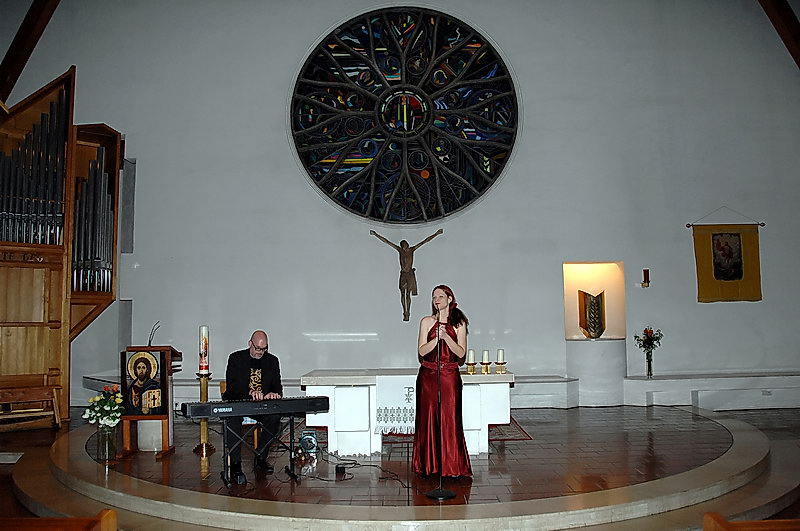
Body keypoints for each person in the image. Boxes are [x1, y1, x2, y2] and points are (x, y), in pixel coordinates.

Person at [412, 285, 472, 477]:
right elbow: (421, 351)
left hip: (449, 376)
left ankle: (451, 466)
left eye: (440, 296)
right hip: (428, 376)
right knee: (428, 418)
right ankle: (429, 466)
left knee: (449, 419)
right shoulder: (427, 322)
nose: (436, 300)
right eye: (434, 297)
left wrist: (446, 336)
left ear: (449, 299)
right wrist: (436, 339)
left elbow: (461, 353)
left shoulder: (459, 323)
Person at [222, 330, 283, 479]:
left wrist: (273, 394)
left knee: (275, 417)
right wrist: (250, 392)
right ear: (250, 343)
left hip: (261, 405)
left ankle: (260, 457)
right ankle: (235, 464)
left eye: (264, 349)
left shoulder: (272, 361)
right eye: (258, 348)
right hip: (239, 402)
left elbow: (277, 387)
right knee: (233, 419)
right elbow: (232, 386)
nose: (260, 352)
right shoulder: (236, 358)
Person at [370, 228, 443, 321]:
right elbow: (387, 242)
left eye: (405, 245)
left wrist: (436, 233)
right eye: (403, 246)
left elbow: (424, 241)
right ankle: (404, 312)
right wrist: (376, 234)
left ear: (407, 245)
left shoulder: (412, 250)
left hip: (409, 275)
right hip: (403, 274)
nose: (404, 247)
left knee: (408, 294)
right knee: (402, 294)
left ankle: (407, 313)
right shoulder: (400, 250)